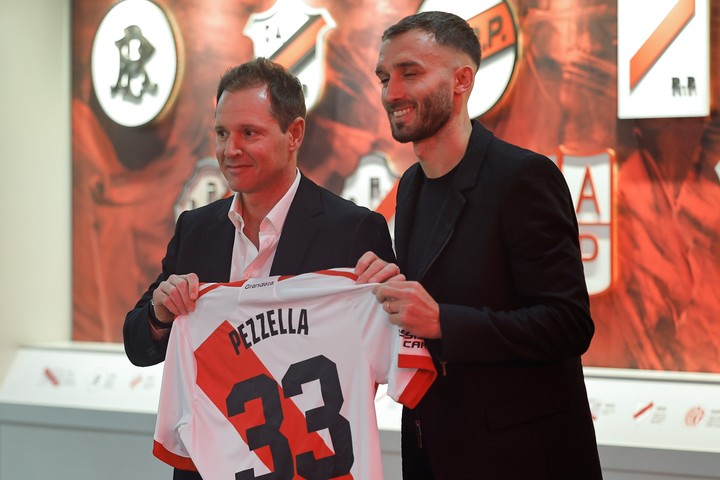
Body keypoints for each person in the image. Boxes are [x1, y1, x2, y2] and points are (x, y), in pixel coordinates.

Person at [355, 11, 603, 479]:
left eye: (411, 73)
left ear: (462, 80)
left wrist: (443, 321)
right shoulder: (410, 187)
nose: (391, 93)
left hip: (522, 457)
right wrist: (382, 293)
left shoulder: (523, 178)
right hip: (432, 449)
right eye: (385, 77)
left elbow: (568, 324)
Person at [123, 57, 395, 480]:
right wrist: (160, 314)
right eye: (221, 133)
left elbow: (394, 343)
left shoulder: (355, 231)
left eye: (249, 133)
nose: (230, 149)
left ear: (295, 134)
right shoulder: (196, 228)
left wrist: (391, 298)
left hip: (308, 466)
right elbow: (138, 343)